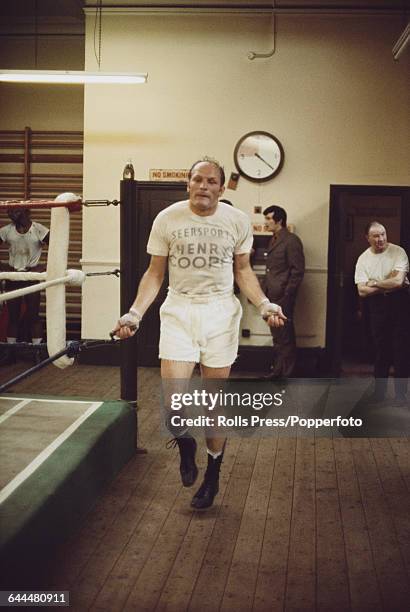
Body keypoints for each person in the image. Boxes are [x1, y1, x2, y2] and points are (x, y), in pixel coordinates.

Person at [113, 157, 285, 510]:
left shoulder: (236, 221)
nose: (203, 186)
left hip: (220, 312)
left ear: (221, 189)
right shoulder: (168, 218)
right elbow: (154, 274)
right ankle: (185, 443)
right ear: (188, 184)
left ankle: (212, 478)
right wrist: (134, 313)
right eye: (197, 180)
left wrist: (264, 304)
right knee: (172, 404)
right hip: (180, 309)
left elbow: (243, 271)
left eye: (211, 181)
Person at [355, 221, 409, 403]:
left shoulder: (398, 252)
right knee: (380, 351)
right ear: (367, 238)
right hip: (376, 307)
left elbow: (398, 282)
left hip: (399, 305)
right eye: (376, 236)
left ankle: (401, 395)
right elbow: (362, 291)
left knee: (402, 351)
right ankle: (379, 394)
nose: (381, 239)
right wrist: (387, 282)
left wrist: (375, 282)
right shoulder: (363, 259)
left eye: (383, 234)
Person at [0, 208, 49, 361]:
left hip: (31, 276)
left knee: (33, 315)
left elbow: (56, 248)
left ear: (26, 213)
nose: (12, 215)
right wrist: (2, 265)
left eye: (16, 212)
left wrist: (44, 266)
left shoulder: (38, 229)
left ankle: (37, 351)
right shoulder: (7, 230)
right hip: (13, 276)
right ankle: (10, 351)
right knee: (13, 316)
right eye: (10, 212)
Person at [262, 205, 305, 379]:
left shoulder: (291, 240)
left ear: (279, 220)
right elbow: (271, 269)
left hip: (283, 296)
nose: (265, 223)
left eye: (268, 219)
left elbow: (297, 270)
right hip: (272, 295)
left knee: (285, 335)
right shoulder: (274, 239)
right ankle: (278, 371)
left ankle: (288, 375)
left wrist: (287, 293)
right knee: (277, 335)